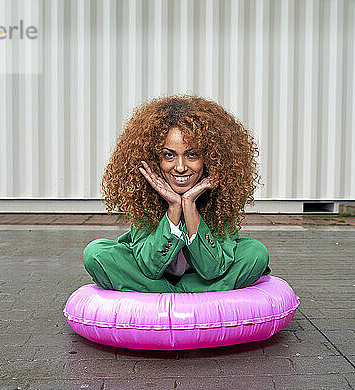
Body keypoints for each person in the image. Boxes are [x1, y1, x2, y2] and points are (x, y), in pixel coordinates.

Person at [83, 95, 271, 293]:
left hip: (200, 277)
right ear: (155, 159)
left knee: (255, 253)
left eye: (192, 155)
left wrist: (189, 205)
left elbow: (213, 269)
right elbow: (149, 267)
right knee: (96, 253)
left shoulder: (222, 199)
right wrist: (174, 207)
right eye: (169, 155)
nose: (180, 167)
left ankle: (163, 292)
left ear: (209, 158)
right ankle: (192, 293)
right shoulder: (142, 196)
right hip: (157, 276)